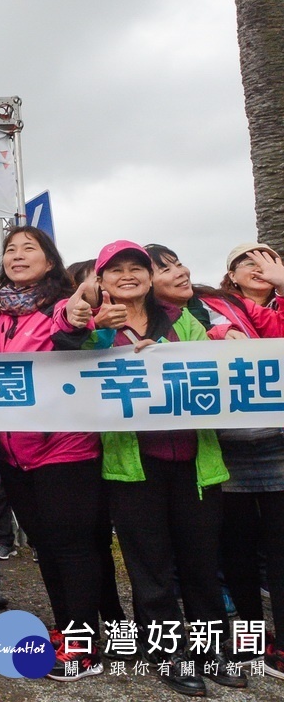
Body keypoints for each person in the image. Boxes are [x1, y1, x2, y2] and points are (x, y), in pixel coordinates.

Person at [82, 241, 244, 695]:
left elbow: (213, 369)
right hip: (133, 469)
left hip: (195, 463)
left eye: (138, 267)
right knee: (149, 566)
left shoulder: (179, 320)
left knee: (200, 562)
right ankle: (169, 651)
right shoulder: (97, 330)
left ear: (152, 277)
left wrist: (176, 361)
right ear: (101, 281)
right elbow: (73, 373)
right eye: (116, 270)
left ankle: (211, 648)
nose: (128, 275)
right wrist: (97, 332)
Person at [147, 242, 284, 677]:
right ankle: (247, 637)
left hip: (277, 445)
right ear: (231, 275)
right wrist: (223, 335)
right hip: (225, 449)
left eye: (268, 260)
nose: (258, 268)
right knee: (236, 551)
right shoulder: (212, 305)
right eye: (247, 261)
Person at [0, 226, 107, 680]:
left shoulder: (61, 305)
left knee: (72, 546)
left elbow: (75, 328)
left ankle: (84, 644)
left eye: (28, 249)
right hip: (12, 453)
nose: (16, 255)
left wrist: (78, 313)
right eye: (10, 249)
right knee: (45, 546)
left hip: (64, 448)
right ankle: (70, 628)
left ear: (50, 261)